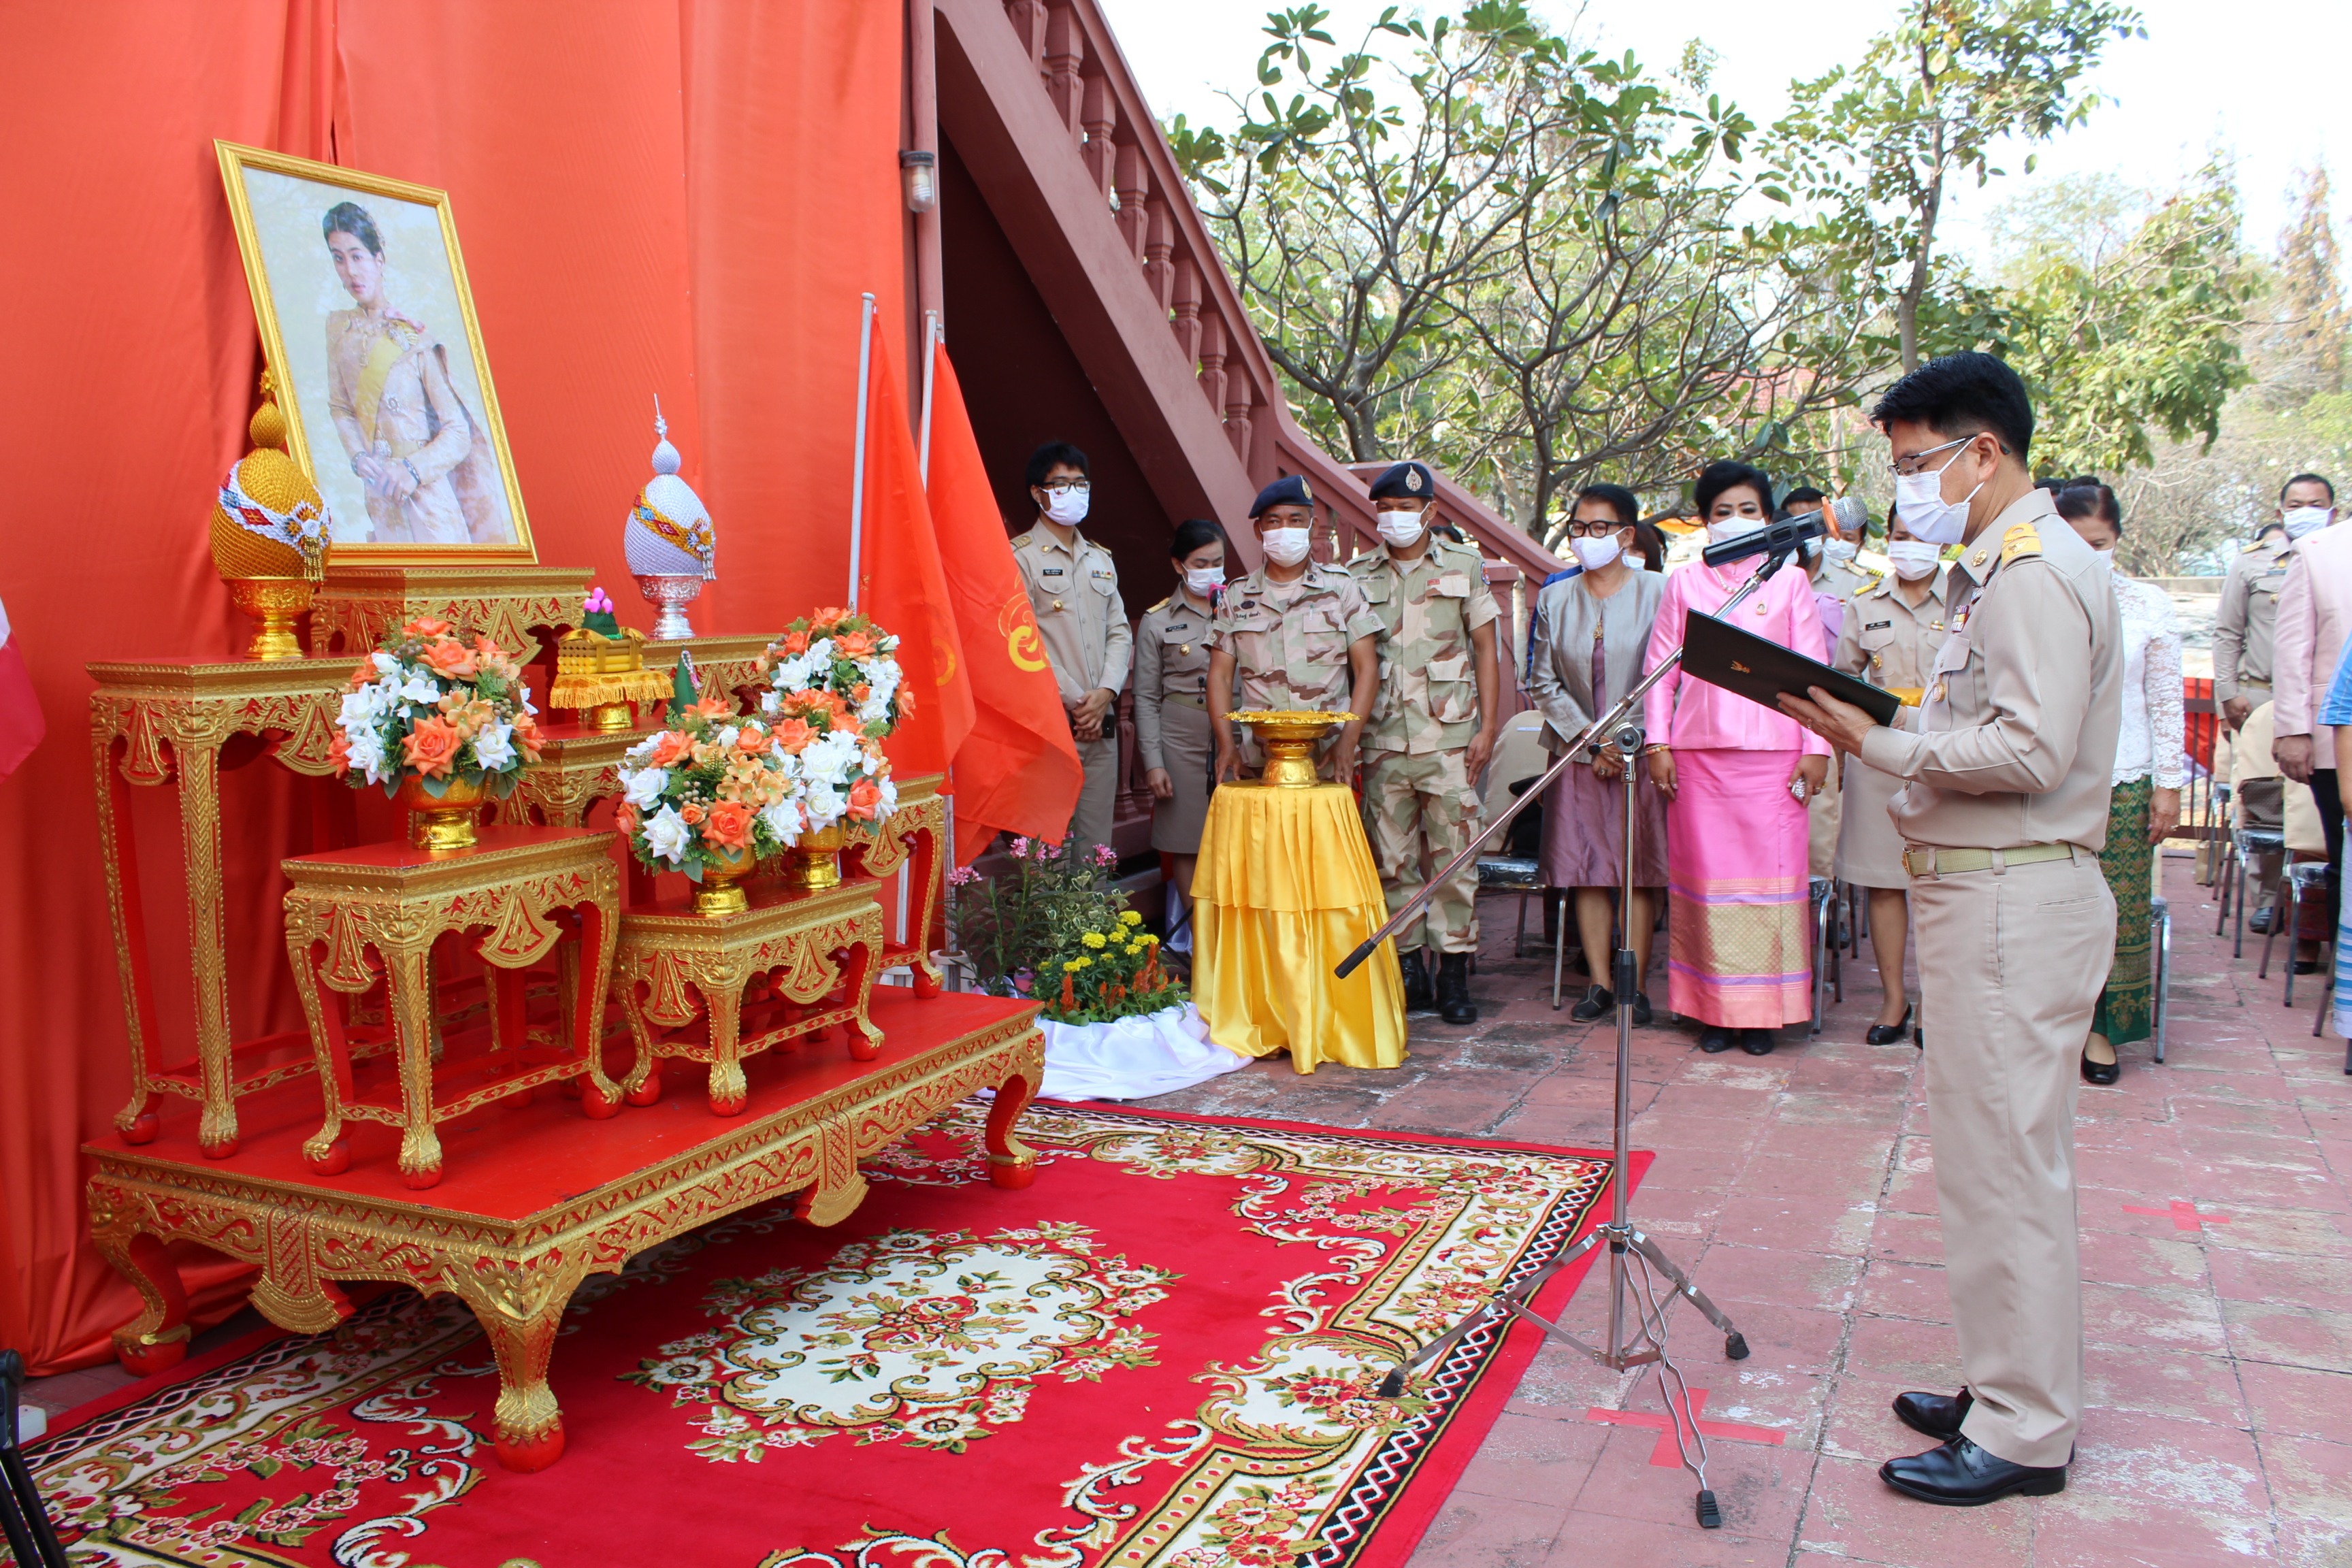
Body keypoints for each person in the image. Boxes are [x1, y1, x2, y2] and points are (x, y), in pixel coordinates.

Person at [1782, 350, 2120, 1508]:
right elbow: (1995, 718)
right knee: (1990, 1165)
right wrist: (1883, 712)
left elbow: (2029, 749)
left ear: (1986, 452)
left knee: (2008, 1167)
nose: (1903, 488)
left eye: (1917, 463)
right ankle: (2003, 1384)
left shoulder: (2029, 568)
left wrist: (1879, 743)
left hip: (2014, 893)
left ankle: (2025, 1428)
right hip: (1991, 889)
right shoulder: (2005, 567)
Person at [1643, 460, 1831, 1055]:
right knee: (1707, 887)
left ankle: (1763, 1014)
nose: (1736, 521)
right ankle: (1713, 1012)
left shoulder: (1789, 582)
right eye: (1722, 511)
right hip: (1698, 758)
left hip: (1776, 758)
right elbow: (1658, 672)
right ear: (1704, 520)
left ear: (1770, 518)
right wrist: (1657, 743)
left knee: (1768, 889)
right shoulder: (1684, 582)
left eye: (1748, 510)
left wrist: (1818, 747)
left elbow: (1815, 675)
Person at [1348, 461, 1502, 1025]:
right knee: (1393, 859)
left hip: (1451, 739)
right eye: (1385, 509)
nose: (1395, 519)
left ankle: (1455, 972)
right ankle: (1410, 967)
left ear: (1430, 512)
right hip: (1383, 737)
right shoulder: (1356, 575)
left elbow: (1485, 647)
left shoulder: (1463, 565)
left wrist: (1487, 727)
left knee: (1455, 856)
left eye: (1406, 509)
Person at [2055, 482, 2183, 1083]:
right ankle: (2057, 1023)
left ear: (2118, 540)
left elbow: (2164, 701)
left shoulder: (2149, 606)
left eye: (2099, 543)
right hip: (2052, 776)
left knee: (2120, 910)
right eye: (2076, 542)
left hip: (2128, 776)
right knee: (2055, 908)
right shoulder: (2042, 600)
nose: (2089, 553)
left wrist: (2169, 784)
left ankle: (2104, 1030)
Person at [1529, 483, 1668, 1023]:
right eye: (1580, 528)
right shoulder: (1554, 596)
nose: (1587, 538)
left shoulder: (1659, 590)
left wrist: (1625, 740)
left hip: (1641, 749)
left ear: (1626, 534)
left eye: (1599, 528)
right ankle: (1601, 984)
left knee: (1637, 867)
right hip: (1576, 751)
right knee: (1586, 868)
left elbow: (1669, 675)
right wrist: (1593, 741)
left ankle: (1635, 985)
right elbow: (1541, 681)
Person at [321, 201, 508, 546]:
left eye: (357, 255)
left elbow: (457, 431)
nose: (350, 270)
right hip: (380, 501)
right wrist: (358, 458)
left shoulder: (413, 337)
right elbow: (341, 407)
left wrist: (412, 470)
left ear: (379, 259)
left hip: (430, 504)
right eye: (338, 257)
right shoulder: (338, 332)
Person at [1831, 513, 1950, 1045]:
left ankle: (1936, 1003)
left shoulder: (1971, 598)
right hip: (1879, 753)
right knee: (1883, 883)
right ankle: (1893, 1000)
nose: (1911, 546)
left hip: (1949, 752)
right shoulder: (1864, 602)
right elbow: (1841, 681)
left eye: (1922, 536)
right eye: (1902, 536)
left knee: (1943, 885)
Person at [1207, 476, 1381, 783]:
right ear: (1258, 530)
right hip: (1262, 755)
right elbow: (1220, 676)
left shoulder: (1341, 588)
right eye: (1274, 521)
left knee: (1329, 832)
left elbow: (1366, 668)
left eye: (1295, 520)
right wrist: (1226, 745)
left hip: (1330, 750)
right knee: (1268, 832)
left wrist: (1348, 741)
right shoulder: (1236, 596)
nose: (1284, 529)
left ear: (1312, 528)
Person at [1009, 440, 1132, 856]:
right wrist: (1081, 702)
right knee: (1050, 850)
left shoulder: (1101, 559)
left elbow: (1119, 631)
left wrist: (1106, 694)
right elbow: (1022, 639)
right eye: (1060, 484)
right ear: (1036, 492)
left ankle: (1096, 925)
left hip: (1102, 723)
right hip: (1052, 723)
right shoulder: (1018, 557)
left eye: (1080, 484)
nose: (1072, 493)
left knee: (1097, 848)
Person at [2214, 489, 2308, 933]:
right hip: (2263, 699)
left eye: (2317, 503)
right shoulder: (2251, 563)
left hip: (2322, 700)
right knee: (2268, 801)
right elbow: (2227, 632)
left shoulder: (2335, 559)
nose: (2306, 512)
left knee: (2315, 807)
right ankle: (2268, 899)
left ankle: (2312, 905)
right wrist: (2228, 693)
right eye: (2296, 504)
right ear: (2280, 511)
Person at [1136, 519, 1230, 952]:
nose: (1211, 571)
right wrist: (1153, 762)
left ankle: (1235, 940)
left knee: (1239, 839)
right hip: (1180, 736)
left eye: (1218, 563)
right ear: (1179, 565)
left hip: (1234, 733)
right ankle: (1203, 943)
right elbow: (1145, 698)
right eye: (1200, 563)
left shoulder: (1241, 607)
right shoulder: (1158, 621)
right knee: (1188, 844)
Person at [2266, 474, 2345, 966]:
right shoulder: (2318, 552)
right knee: (2347, 859)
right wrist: (2293, 729)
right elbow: (2293, 648)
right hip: (2338, 740)